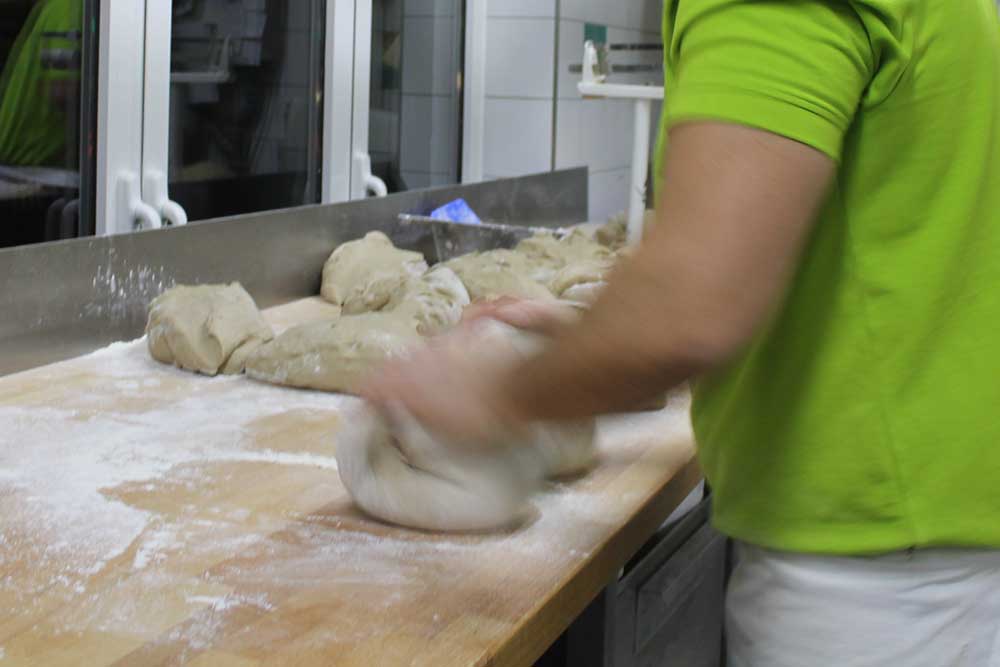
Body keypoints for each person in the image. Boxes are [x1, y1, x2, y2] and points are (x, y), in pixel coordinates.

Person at [366, 1, 1000, 664]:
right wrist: (596, 341)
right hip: (934, 547)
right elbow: (876, 247)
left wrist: (492, 395)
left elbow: (694, 305)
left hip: (872, 585)